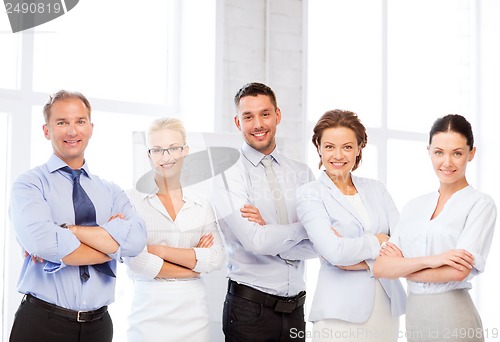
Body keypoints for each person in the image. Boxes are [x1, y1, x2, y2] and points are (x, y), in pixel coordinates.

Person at [9, 90, 147, 342]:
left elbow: (137, 242)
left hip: (99, 325)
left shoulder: (111, 191)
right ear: (46, 130)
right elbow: (44, 243)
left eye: (80, 121)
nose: (72, 131)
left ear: (91, 128)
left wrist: (69, 231)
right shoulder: (29, 184)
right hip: (42, 323)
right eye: (62, 122)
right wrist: (112, 243)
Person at [374, 114, 497, 342]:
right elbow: (381, 267)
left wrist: (401, 266)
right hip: (415, 318)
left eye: (457, 153)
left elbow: (458, 271)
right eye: (439, 152)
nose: (447, 162)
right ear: (429, 151)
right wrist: (433, 260)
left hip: (455, 317)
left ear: (472, 153)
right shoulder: (414, 206)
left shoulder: (481, 204)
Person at [211, 82, 317, 342]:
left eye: (265, 114)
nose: (258, 124)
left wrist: (271, 230)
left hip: (296, 311)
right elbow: (254, 241)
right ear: (238, 122)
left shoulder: (303, 173)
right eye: (248, 117)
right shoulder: (228, 173)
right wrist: (304, 229)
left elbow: (320, 244)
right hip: (250, 312)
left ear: (277, 115)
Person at [295, 110, 406, 341]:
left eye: (347, 147)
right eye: (329, 147)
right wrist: (379, 241)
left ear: (359, 148)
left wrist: (354, 259)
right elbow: (334, 252)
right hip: (339, 313)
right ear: (318, 146)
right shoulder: (310, 194)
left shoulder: (377, 189)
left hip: (386, 307)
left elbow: (403, 243)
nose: (338, 155)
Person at [124, 117, 225, 342]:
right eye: (157, 150)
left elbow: (216, 257)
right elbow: (135, 260)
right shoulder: (131, 200)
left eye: (173, 148)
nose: (166, 157)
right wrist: (192, 266)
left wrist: (159, 251)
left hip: (192, 312)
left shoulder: (201, 202)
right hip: (148, 310)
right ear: (149, 155)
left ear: (185, 151)